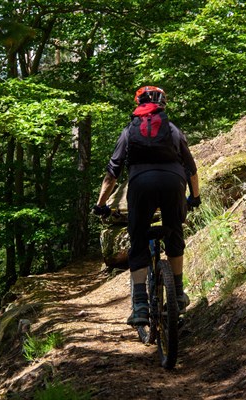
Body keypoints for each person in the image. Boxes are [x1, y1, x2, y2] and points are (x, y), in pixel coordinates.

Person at [93, 86, 201, 326]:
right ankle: (179, 294)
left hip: (141, 185)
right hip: (173, 183)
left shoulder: (129, 132)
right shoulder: (172, 130)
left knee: (138, 239)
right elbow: (191, 169)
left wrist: (100, 204)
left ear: (138, 104)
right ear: (162, 104)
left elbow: (112, 174)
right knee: (174, 233)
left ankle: (140, 304)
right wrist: (194, 197)